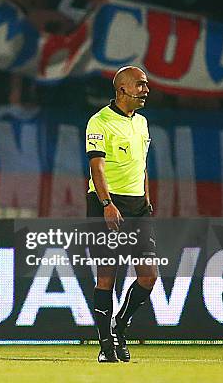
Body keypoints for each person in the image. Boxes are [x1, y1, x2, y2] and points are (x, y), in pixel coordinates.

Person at [85, 66, 157, 363]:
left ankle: (119, 325)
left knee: (149, 276)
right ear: (122, 89)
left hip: (139, 207)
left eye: (146, 85)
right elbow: (97, 167)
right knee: (107, 277)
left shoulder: (142, 123)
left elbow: (142, 166)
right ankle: (106, 346)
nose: (146, 90)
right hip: (107, 204)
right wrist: (106, 204)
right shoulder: (99, 121)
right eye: (140, 85)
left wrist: (148, 201)